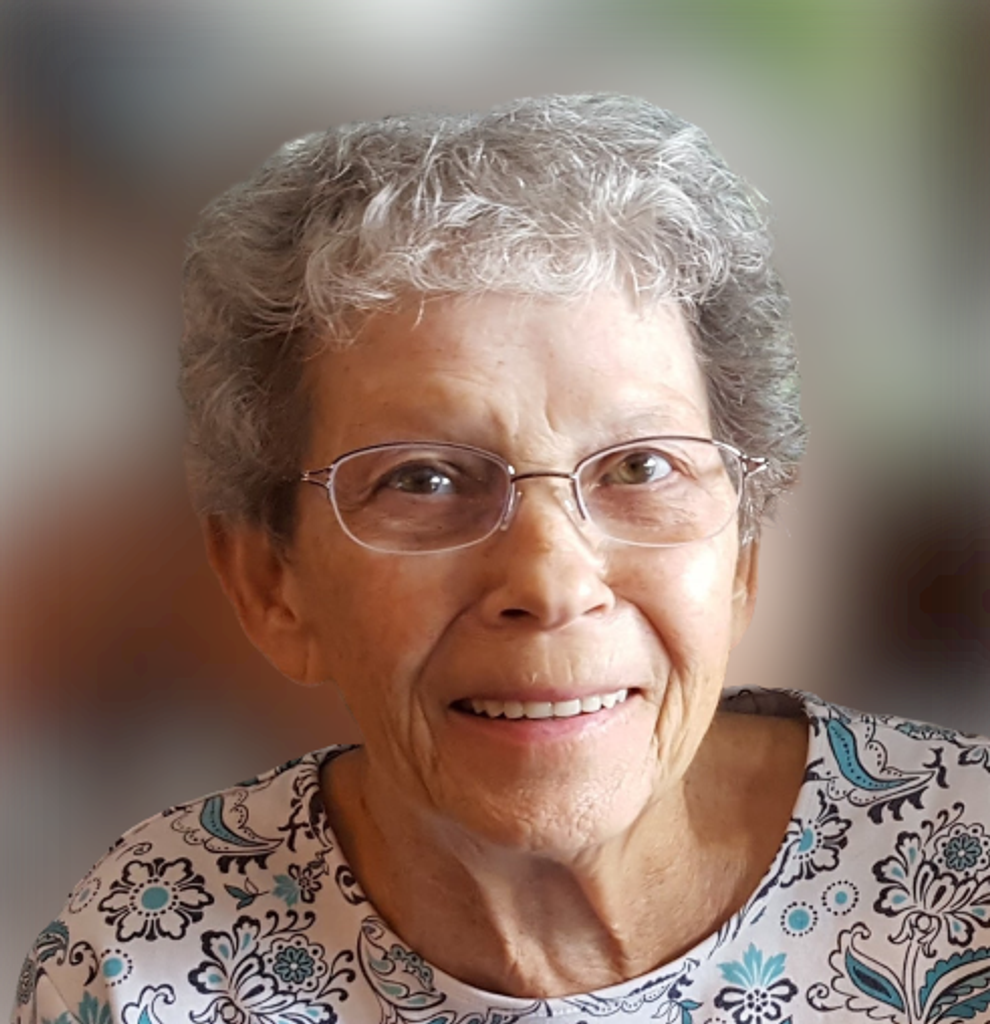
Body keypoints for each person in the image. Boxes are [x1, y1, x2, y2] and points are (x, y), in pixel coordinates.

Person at [14, 94, 990, 1024]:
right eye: (425, 480)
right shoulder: (146, 966)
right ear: (272, 585)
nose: (551, 581)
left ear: (743, 556)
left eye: (641, 466)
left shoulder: (965, 873)